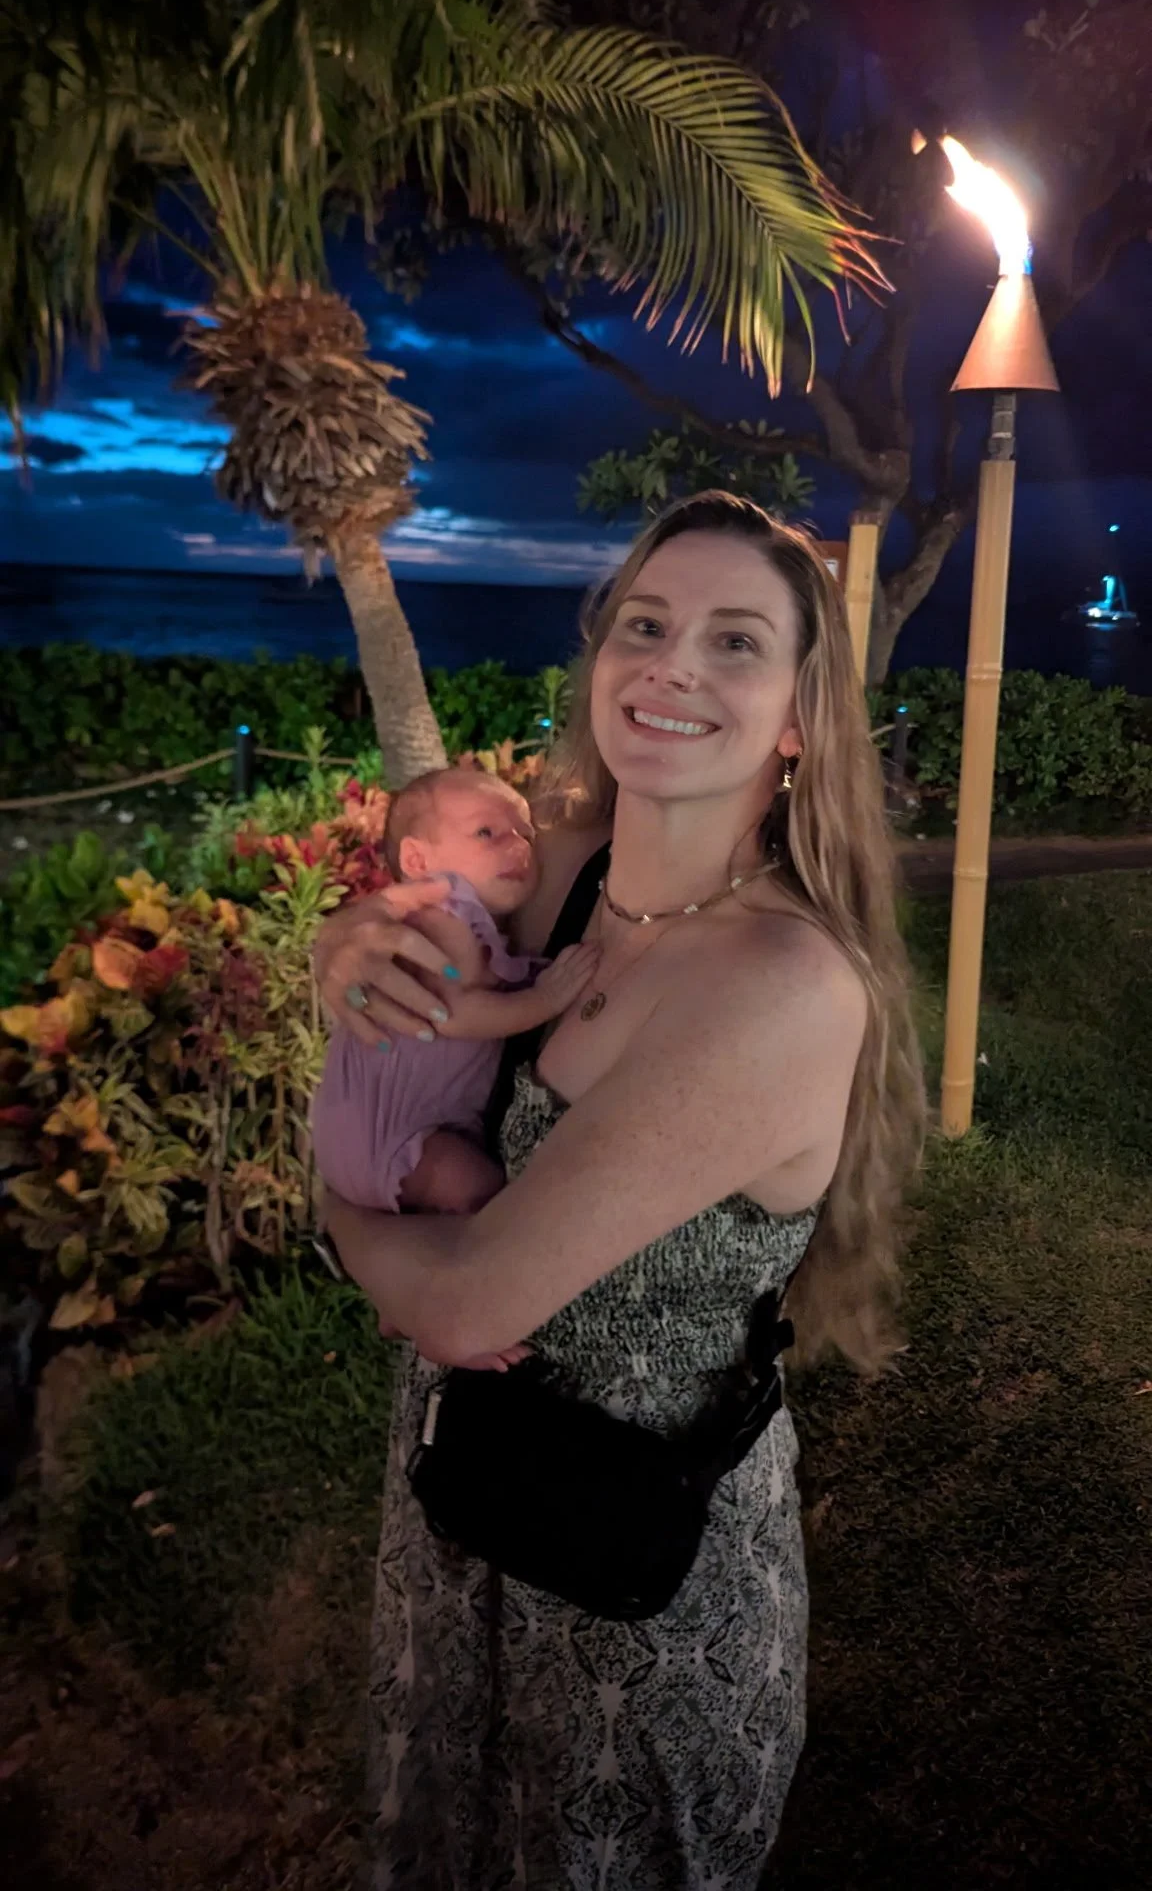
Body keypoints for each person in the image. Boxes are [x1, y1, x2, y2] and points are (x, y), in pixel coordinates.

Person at [313, 491, 925, 1890]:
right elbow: (411, 1027)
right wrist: (349, 948)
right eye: (646, 626)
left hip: (631, 1580)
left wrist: (335, 1209)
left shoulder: (777, 989)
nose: (673, 666)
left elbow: (466, 1295)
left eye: (734, 642)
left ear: (794, 723)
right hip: (470, 1493)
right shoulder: (569, 877)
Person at [310, 767, 597, 1371]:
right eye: (488, 832)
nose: (518, 846)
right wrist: (546, 1000)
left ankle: (395, 1297)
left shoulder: (465, 922)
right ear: (418, 857)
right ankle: (471, 1317)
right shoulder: (443, 917)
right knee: (480, 1195)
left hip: (371, 1136)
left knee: (442, 1206)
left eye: (523, 832)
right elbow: (453, 1014)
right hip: (394, 1135)